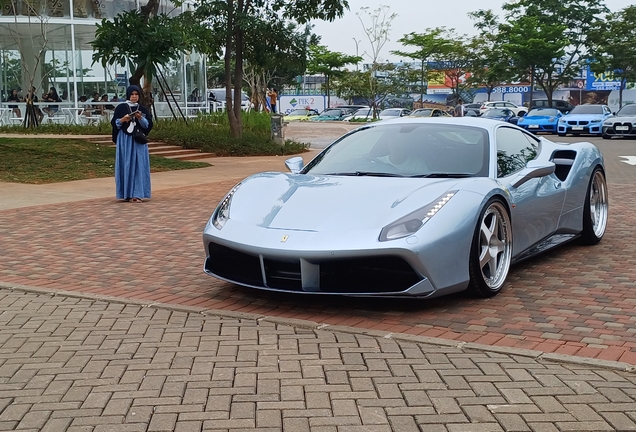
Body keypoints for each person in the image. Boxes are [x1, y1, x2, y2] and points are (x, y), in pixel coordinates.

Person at [111, 85, 153, 203]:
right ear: (128, 95)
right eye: (132, 94)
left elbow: (148, 125)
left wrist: (140, 118)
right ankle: (126, 193)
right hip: (125, 140)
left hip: (138, 141)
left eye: (136, 94)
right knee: (126, 164)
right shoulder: (121, 108)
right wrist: (123, 120)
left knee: (139, 165)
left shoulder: (143, 109)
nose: (134, 97)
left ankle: (137, 193)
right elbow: (115, 123)